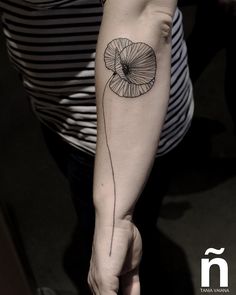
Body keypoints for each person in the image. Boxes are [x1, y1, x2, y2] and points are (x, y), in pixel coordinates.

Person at [0, 0, 194, 294]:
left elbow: (143, 19)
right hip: (54, 109)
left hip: (127, 130)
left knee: (127, 243)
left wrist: (115, 217)